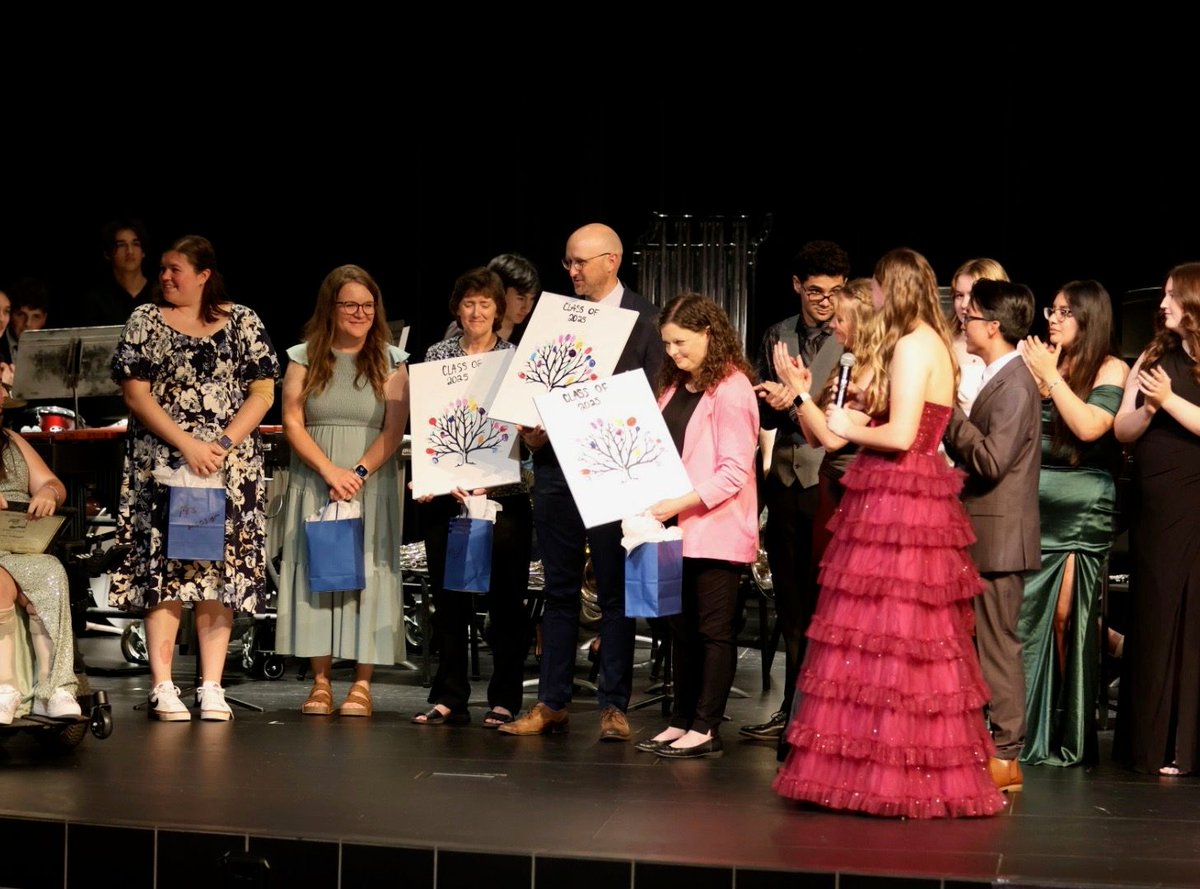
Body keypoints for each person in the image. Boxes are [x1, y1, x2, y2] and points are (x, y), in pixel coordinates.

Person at [773, 248, 1004, 818]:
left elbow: (901, 435)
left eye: (877, 286)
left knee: (893, 635)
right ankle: (882, 768)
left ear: (894, 288)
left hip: (901, 493)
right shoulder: (928, 344)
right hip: (904, 490)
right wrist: (809, 397)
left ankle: (892, 775)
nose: (871, 295)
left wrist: (853, 423)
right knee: (893, 636)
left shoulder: (912, 344)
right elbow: (836, 437)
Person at [501, 223, 663, 741]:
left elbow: (655, 401)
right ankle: (552, 702)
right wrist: (530, 433)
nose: (571, 271)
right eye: (568, 262)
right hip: (554, 473)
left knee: (614, 591)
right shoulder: (550, 318)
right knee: (559, 587)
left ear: (611, 261)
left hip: (614, 472)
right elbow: (530, 393)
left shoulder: (646, 319)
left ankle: (614, 705)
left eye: (580, 263)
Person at [109, 235, 279, 721]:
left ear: (204, 275)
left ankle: (211, 686)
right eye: (162, 268)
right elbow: (136, 396)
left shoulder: (242, 320)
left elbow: (263, 392)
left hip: (228, 468)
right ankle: (164, 686)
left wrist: (221, 445)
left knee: (215, 574)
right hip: (165, 465)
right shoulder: (145, 320)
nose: (164, 276)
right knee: (166, 571)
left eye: (175, 268)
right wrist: (187, 444)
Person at [275, 264, 409, 718]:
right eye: (350, 304)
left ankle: (363, 683)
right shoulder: (302, 356)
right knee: (319, 569)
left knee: (367, 572)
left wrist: (357, 471)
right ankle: (320, 680)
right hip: (316, 475)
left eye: (368, 305)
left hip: (371, 479)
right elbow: (292, 420)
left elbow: (395, 429)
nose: (359, 313)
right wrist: (330, 471)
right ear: (330, 308)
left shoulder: (392, 360)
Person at [632, 293, 758, 759]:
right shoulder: (672, 387)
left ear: (709, 333)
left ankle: (706, 727)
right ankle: (681, 718)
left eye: (680, 342)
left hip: (716, 531)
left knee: (713, 632)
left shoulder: (732, 387)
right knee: (679, 631)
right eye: (666, 344)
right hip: (678, 532)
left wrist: (675, 504)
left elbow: (733, 471)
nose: (673, 353)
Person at [413, 267, 533, 728]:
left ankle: (504, 699)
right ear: (457, 309)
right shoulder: (436, 355)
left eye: (486, 304)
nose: (477, 312)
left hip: (504, 497)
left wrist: (495, 474)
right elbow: (428, 424)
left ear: (498, 310)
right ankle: (449, 696)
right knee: (449, 601)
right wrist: (433, 477)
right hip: (450, 498)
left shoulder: (515, 358)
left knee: (506, 601)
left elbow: (527, 439)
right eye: (469, 303)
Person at [740, 240, 849, 746]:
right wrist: (776, 400)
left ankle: (821, 712)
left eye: (834, 292)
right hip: (784, 478)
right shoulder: (776, 334)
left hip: (831, 479)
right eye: (815, 292)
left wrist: (797, 400)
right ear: (797, 287)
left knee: (828, 599)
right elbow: (761, 410)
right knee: (790, 599)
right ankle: (791, 706)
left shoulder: (850, 337)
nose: (825, 303)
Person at [1017, 281, 1128, 767]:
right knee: (1025, 616)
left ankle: (1067, 728)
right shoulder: (1043, 363)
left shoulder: (1110, 367)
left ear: (1090, 317)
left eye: (1065, 312)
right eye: (1052, 309)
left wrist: (1050, 379)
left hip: (1081, 502)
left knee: (1065, 618)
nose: (1053, 319)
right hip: (1032, 499)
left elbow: (1087, 427)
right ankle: (1023, 726)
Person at [944, 278, 1042, 792]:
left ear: (994, 326)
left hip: (1000, 539)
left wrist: (950, 418)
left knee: (999, 646)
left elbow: (990, 460)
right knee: (982, 643)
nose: (966, 321)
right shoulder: (996, 376)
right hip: (984, 534)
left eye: (973, 315)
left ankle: (1005, 754)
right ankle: (988, 745)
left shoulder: (1016, 383)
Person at [1112, 263, 1200, 775]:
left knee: (1191, 616)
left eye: (1172, 296)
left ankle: (1183, 747)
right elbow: (1123, 430)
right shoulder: (1153, 354)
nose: (1162, 304)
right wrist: (1147, 410)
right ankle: (1147, 741)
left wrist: (1168, 401)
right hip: (1155, 506)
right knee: (1155, 610)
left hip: (1194, 501)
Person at [772, 278, 877, 566]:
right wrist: (799, 396)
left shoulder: (875, 370)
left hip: (852, 492)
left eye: (840, 319)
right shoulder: (848, 361)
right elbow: (816, 437)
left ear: (862, 322)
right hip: (829, 485)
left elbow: (834, 440)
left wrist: (801, 392)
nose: (832, 325)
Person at [0, 423, 80, 724]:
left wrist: (48, 492)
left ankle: (53, 689)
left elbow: (53, 483)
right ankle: (4, 687)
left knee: (51, 571)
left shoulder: (11, 439)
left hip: (17, 539)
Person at [950, 259, 1009, 415]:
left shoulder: (1016, 348)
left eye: (972, 295)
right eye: (959, 295)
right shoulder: (942, 343)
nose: (964, 305)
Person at [443, 254, 540, 344]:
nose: (527, 308)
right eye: (521, 298)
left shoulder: (529, 333)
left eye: (532, 299)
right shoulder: (464, 328)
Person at [81, 218, 153, 328]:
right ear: (107, 254)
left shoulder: (160, 293)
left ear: (143, 252)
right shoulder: (97, 300)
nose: (130, 251)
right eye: (121, 245)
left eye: (136, 244)